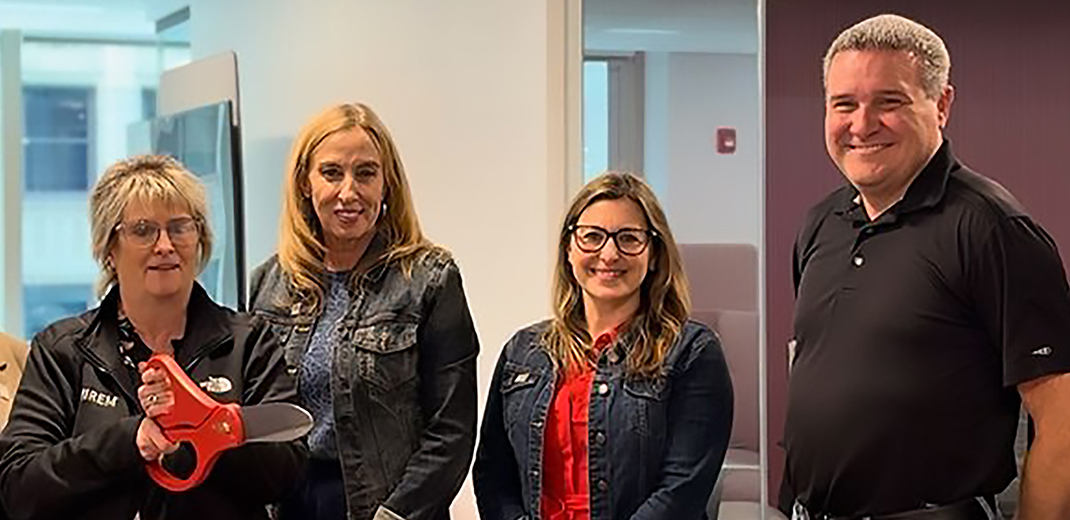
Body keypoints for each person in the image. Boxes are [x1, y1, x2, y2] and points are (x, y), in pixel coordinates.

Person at [782, 14, 1070, 520]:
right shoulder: (820, 224)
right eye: (843, 104)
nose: (861, 124)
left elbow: (1063, 419)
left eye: (888, 102)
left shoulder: (992, 228)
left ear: (941, 105)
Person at [0, 155, 307, 520]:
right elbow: (19, 486)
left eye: (180, 228)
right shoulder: (62, 350)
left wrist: (201, 425)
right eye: (143, 230)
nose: (165, 245)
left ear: (201, 240)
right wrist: (130, 441)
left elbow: (286, 474)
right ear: (108, 249)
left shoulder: (248, 342)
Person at [248, 103, 479, 520]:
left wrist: (395, 515)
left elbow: (452, 431)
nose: (348, 192)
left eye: (366, 173)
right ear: (305, 182)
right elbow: (255, 419)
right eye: (332, 172)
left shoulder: (430, 280)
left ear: (386, 182)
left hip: (388, 509)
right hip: (290, 503)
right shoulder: (269, 284)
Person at [473, 172, 734, 520]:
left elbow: (682, 490)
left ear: (654, 254)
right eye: (592, 237)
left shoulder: (692, 352)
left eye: (628, 238)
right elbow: (492, 475)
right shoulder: (523, 352)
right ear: (569, 249)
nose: (609, 254)